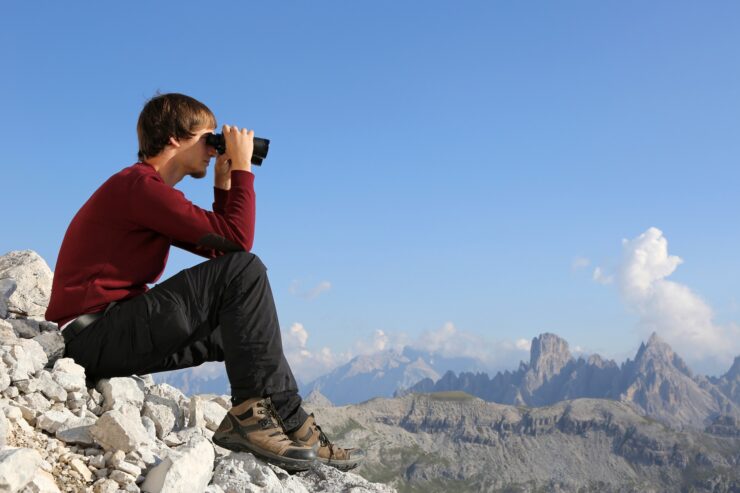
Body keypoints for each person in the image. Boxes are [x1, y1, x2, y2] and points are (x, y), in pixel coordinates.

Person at [44, 93, 364, 472]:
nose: (214, 149)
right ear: (175, 138)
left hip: (109, 334)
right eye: (209, 138)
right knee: (247, 271)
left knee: (243, 330)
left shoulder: (149, 193)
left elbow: (222, 249)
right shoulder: (138, 187)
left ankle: (293, 424)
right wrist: (244, 169)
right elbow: (240, 250)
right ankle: (248, 419)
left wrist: (224, 185)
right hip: (92, 335)